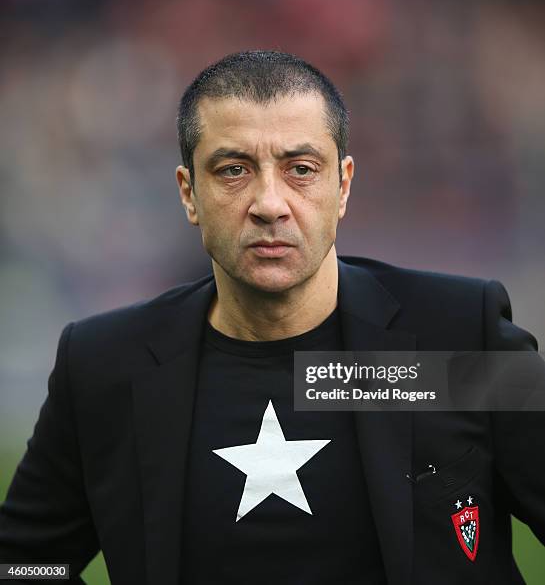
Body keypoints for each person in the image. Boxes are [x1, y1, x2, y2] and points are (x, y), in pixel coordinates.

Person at [0, 50, 543, 585]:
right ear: (189, 193)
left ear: (343, 185)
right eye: (233, 170)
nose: (269, 202)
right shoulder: (105, 366)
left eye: (301, 169)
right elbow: (23, 564)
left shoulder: (456, 336)